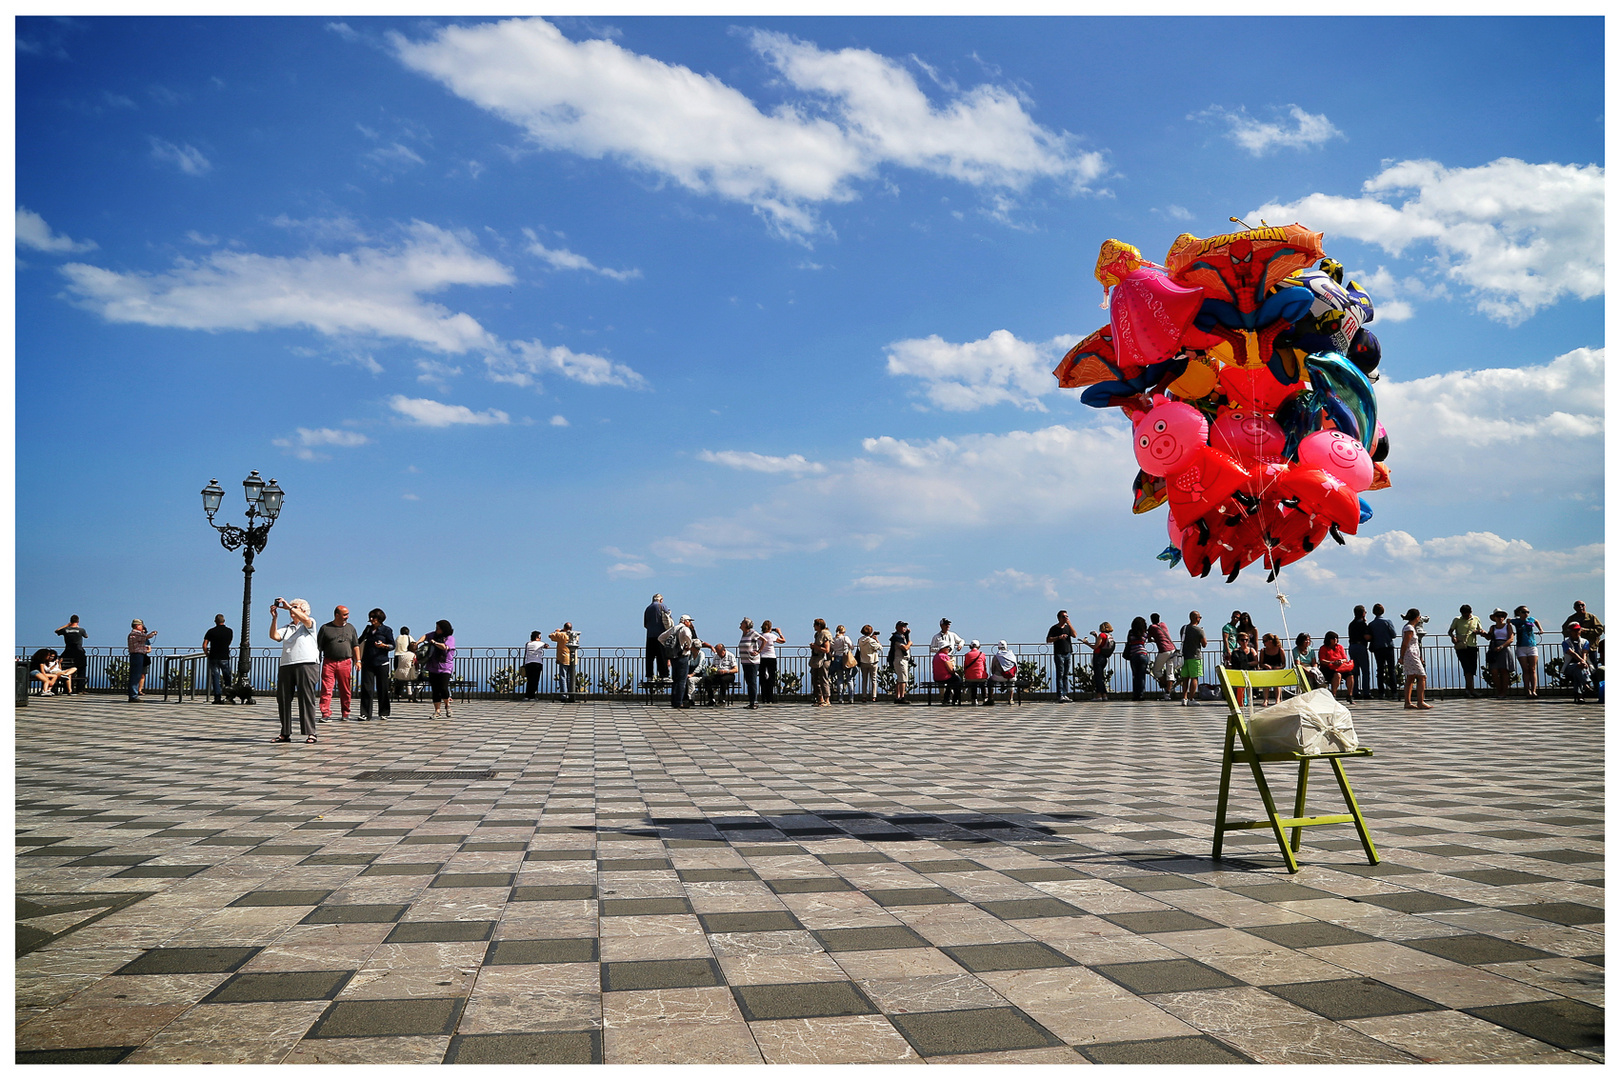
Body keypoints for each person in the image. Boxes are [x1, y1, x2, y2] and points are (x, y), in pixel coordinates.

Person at [268, 598, 318, 742]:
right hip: (287, 664)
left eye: (295, 607)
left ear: (303, 610)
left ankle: (311, 732)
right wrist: (274, 619)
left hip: (306, 663)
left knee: (306, 698)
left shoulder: (309, 623)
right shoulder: (288, 627)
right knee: (283, 698)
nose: (291, 609)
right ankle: (285, 732)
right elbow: (274, 636)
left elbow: (306, 620)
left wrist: (289, 606)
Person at [315, 606, 358, 722]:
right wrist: (316, 662)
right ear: (337, 615)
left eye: (347, 614)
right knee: (326, 689)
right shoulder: (325, 628)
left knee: (345, 689)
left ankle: (345, 712)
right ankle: (325, 713)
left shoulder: (351, 628)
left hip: (345, 662)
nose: (347, 617)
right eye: (344, 615)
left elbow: (355, 645)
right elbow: (318, 647)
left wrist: (357, 660)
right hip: (329, 662)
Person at [355, 608, 394, 721]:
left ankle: (384, 712)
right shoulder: (368, 629)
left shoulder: (387, 630)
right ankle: (365, 713)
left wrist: (383, 646)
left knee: (383, 688)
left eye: (374, 617)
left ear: (379, 619)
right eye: (370, 617)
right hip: (368, 662)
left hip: (382, 662)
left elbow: (392, 645)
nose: (371, 620)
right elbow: (359, 641)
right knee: (366, 688)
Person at [420, 619, 457, 719]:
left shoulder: (450, 638)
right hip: (433, 667)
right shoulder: (433, 635)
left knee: (443, 688)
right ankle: (437, 710)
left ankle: (447, 705)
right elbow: (426, 636)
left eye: (438, 628)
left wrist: (434, 642)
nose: (436, 630)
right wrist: (417, 642)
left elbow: (445, 647)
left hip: (445, 667)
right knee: (435, 689)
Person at [1448, 604, 1485, 698]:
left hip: (1472, 646)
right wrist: (1453, 637)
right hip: (1461, 647)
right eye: (1463, 614)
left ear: (1470, 612)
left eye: (1467, 614)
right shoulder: (1457, 619)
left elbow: (1481, 630)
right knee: (1467, 667)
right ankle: (1471, 690)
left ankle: (1468, 690)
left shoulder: (1475, 619)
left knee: (1472, 669)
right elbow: (1450, 631)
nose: (1465, 616)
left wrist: (1478, 632)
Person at [1511, 606, 1545, 698]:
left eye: (1527, 612)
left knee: (1533, 669)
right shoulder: (1516, 621)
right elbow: (1508, 621)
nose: (1526, 614)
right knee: (1525, 669)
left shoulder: (1531, 619)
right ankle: (1527, 690)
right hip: (1521, 647)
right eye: (1524, 612)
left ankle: (1534, 690)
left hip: (1532, 646)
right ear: (1519, 613)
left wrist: (1540, 629)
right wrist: (1510, 632)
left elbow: (1536, 621)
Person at [670, 615, 703, 709]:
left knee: (675, 680)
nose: (690, 623)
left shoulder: (674, 628)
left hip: (674, 656)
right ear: (685, 621)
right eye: (689, 621)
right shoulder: (685, 629)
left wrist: (668, 648)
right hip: (683, 656)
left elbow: (661, 638)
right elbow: (688, 637)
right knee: (681, 681)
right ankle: (679, 702)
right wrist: (689, 645)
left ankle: (674, 701)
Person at [1401, 608, 1431, 709]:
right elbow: (1405, 644)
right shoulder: (1409, 628)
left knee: (1410, 677)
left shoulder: (1409, 627)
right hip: (1411, 655)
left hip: (1412, 655)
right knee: (1422, 676)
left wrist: (1419, 657)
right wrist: (1401, 657)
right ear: (1417, 617)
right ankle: (1420, 701)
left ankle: (1408, 702)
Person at [1047, 610, 1078, 703]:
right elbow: (1048, 639)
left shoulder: (1068, 627)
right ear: (1059, 618)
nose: (1066, 618)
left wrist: (1069, 624)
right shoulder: (1054, 628)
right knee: (1060, 674)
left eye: (1067, 616)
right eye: (1064, 616)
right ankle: (1060, 695)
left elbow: (1075, 635)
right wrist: (1059, 637)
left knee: (1066, 674)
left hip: (1068, 652)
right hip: (1059, 653)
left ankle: (1065, 694)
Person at [202, 614, 234, 704]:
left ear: (215, 621)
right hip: (224, 656)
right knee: (227, 677)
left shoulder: (211, 631)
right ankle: (229, 696)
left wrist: (207, 654)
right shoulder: (229, 631)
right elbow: (229, 642)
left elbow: (204, 645)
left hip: (213, 657)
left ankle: (217, 697)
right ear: (224, 621)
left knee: (215, 677)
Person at [1369, 604, 1398, 700]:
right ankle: (1394, 692)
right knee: (1391, 670)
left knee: (1380, 670)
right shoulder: (1387, 622)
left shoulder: (1371, 624)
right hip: (1388, 647)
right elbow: (1393, 634)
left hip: (1378, 648)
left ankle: (1381, 692)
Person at [1317, 631, 1354, 704]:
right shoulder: (1323, 648)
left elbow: (1345, 658)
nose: (1335, 640)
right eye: (1333, 638)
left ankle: (1349, 695)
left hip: (1340, 667)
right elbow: (1322, 660)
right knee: (1337, 675)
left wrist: (1340, 661)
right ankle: (1333, 695)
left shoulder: (1340, 647)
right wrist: (1332, 662)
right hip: (1328, 668)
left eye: (1336, 638)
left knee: (1350, 676)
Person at [54, 616, 88, 695]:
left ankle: (66, 688)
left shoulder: (66, 630)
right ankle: (80, 689)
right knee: (81, 670)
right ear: (78, 621)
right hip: (79, 653)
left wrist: (67, 625)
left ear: (70, 621)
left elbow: (56, 631)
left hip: (68, 652)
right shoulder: (81, 630)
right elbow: (86, 636)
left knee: (66, 670)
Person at [1148, 613, 1178, 700]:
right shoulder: (1163, 624)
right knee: (1170, 671)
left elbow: (1149, 638)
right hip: (1172, 649)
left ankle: (1165, 685)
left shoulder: (1152, 627)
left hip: (1164, 650)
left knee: (1156, 670)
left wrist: (1155, 640)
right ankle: (1168, 692)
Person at [1178, 612, 1206, 705]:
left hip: (1184, 656)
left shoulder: (1184, 628)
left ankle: (1184, 698)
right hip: (1195, 656)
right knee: (1194, 677)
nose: (1200, 619)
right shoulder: (1199, 630)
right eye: (1199, 617)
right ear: (1196, 618)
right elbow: (1204, 644)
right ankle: (1191, 699)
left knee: (1185, 678)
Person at [1562, 622, 1594, 704]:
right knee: (1577, 667)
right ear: (1570, 632)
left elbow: (1585, 653)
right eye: (1575, 630)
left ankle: (1579, 695)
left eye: (1578, 630)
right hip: (1570, 666)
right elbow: (1571, 653)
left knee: (1577, 671)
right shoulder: (1566, 643)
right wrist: (1582, 661)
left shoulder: (1585, 641)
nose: (1577, 632)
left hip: (1582, 666)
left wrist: (1582, 662)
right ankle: (1586, 684)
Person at [1485, 609, 1514, 698]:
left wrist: (1502, 646)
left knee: (1504, 671)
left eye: (1502, 616)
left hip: (1504, 649)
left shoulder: (1507, 626)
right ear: (1494, 617)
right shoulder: (1492, 627)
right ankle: (1499, 690)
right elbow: (1489, 637)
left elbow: (1511, 638)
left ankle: (1503, 692)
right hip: (1494, 649)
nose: (1500, 618)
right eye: (1498, 616)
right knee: (1494, 671)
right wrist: (1482, 633)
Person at [127, 618, 157, 702]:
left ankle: (133, 694)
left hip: (135, 655)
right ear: (137, 626)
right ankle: (133, 696)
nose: (142, 627)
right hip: (137, 655)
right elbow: (147, 637)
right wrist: (153, 633)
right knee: (136, 676)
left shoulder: (132, 634)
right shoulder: (136, 634)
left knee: (135, 675)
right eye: (141, 625)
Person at [1082, 622, 1114, 701]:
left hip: (1098, 657)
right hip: (1104, 657)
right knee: (1101, 677)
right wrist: (1096, 636)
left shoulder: (1102, 635)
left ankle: (1099, 695)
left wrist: (1087, 643)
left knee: (1098, 677)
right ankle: (1104, 695)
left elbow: (1096, 647)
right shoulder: (1109, 636)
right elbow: (1101, 644)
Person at [644, 593, 672, 681]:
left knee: (650, 657)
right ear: (661, 599)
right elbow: (669, 620)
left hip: (650, 636)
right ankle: (664, 676)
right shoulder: (662, 606)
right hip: (661, 636)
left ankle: (649, 676)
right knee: (662, 656)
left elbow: (645, 624)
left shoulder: (647, 609)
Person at [1348, 605, 1371, 704]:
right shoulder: (1362, 624)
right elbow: (1366, 637)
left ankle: (1355, 691)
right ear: (1362, 613)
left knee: (1355, 671)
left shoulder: (1351, 624)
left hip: (1352, 646)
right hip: (1361, 647)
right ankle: (1366, 692)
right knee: (1365, 671)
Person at [757, 620, 785, 704]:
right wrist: (779, 632)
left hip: (761, 658)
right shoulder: (772, 636)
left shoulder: (759, 636)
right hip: (771, 658)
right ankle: (770, 697)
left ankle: (763, 698)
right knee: (771, 678)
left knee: (762, 678)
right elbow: (783, 640)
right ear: (770, 628)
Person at [737, 618, 762, 709]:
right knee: (748, 681)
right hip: (745, 661)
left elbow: (764, 640)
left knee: (752, 681)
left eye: (742, 622)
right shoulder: (744, 634)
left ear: (747, 625)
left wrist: (758, 651)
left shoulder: (752, 633)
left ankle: (754, 702)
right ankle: (751, 701)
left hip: (752, 661)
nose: (740, 623)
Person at [1228, 632, 1259, 707]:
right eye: (1242, 640)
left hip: (1250, 671)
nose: (1245, 642)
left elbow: (1256, 662)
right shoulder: (1236, 652)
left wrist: (1247, 664)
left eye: (1246, 640)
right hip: (1240, 672)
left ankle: (1249, 697)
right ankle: (1242, 700)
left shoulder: (1252, 650)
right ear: (1239, 641)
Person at [1257, 633, 1288, 704]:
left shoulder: (1280, 650)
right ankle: (1266, 699)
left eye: (1265, 641)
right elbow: (1260, 664)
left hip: (1277, 670)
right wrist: (1265, 665)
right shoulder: (1263, 651)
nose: (1263, 643)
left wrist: (1278, 667)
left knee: (1276, 681)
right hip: (1267, 670)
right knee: (1266, 682)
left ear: (1270, 641)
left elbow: (1283, 664)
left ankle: (1277, 699)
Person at [550, 623, 578, 702]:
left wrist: (558, 631)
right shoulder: (575, 636)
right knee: (570, 677)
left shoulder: (562, 635)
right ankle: (571, 694)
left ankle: (564, 696)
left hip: (564, 658)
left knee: (563, 677)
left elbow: (551, 636)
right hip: (573, 659)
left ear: (564, 628)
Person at [1124, 617, 1150, 700]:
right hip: (1143, 654)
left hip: (1134, 655)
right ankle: (1141, 694)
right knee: (1142, 676)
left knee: (1135, 675)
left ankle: (1135, 695)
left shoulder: (1131, 632)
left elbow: (1129, 642)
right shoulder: (1145, 633)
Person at [809, 618, 833, 706]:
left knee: (823, 679)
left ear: (818, 625)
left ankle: (827, 699)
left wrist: (815, 646)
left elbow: (827, 649)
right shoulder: (817, 634)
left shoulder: (825, 634)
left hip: (824, 659)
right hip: (817, 659)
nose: (813, 626)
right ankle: (820, 699)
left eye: (814, 625)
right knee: (815, 679)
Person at [889, 621, 913, 705]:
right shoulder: (897, 637)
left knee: (900, 679)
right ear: (898, 627)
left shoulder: (901, 637)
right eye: (902, 626)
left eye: (905, 626)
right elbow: (905, 648)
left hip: (901, 660)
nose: (904, 628)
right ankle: (902, 697)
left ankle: (897, 696)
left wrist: (907, 634)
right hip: (900, 660)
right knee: (903, 679)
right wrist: (910, 643)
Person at [856, 625, 882, 702]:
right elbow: (880, 648)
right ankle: (874, 696)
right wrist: (877, 640)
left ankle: (864, 696)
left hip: (863, 661)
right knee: (874, 679)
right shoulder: (871, 641)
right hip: (873, 661)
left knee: (864, 680)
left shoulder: (860, 640)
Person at [831, 624, 856, 704]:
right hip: (846, 658)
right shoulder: (846, 638)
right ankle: (851, 697)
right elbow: (852, 647)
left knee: (840, 679)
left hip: (837, 658)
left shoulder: (833, 639)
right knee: (849, 679)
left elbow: (832, 649)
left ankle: (840, 698)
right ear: (844, 631)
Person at [393, 625, 416, 702]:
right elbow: (414, 644)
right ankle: (410, 693)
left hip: (396, 656)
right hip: (406, 656)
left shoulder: (397, 638)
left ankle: (397, 693)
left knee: (398, 676)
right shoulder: (409, 637)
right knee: (407, 675)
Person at [962, 639, 989, 705]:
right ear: (979, 646)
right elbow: (984, 666)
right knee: (983, 683)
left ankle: (974, 699)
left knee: (973, 683)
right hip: (981, 676)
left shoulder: (967, 655)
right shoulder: (982, 654)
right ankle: (985, 698)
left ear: (970, 646)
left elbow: (965, 666)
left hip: (970, 677)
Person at [522, 631, 547, 699]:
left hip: (528, 663)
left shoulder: (528, 644)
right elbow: (547, 646)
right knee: (535, 681)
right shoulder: (540, 643)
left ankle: (527, 696)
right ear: (537, 637)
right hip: (537, 663)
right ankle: (532, 696)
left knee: (529, 681)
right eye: (540, 637)